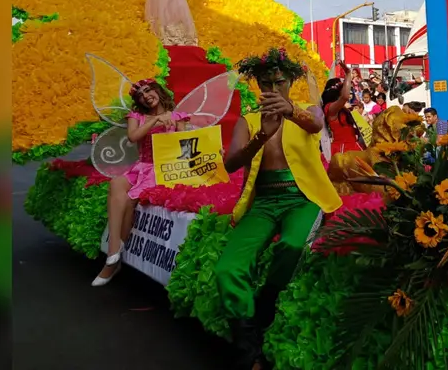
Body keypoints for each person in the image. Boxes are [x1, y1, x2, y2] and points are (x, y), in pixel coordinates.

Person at [217, 48, 342, 370]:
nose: (273, 89)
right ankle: (248, 347)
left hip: (303, 199)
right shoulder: (248, 121)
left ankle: (266, 303)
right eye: (266, 83)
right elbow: (230, 164)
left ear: (290, 81)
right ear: (257, 85)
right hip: (263, 204)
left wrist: (289, 111)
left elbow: (315, 125)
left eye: (279, 82)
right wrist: (261, 136)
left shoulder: (308, 110)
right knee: (227, 269)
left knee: (291, 246)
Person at [93, 78, 189, 287]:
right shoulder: (136, 116)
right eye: (141, 95)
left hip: (163, 170)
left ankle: (112, 264)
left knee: (129, 201)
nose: (146, 96)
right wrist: (154, 121)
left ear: (157, 90)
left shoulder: (178, 116)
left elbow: (184, 144)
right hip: (142, 166)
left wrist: (212, 150)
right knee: (117, 183)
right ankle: (113, 249)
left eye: (148, 90)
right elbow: (133, 137)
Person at [321, 62, 366, 156]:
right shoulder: (330, 108)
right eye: (343, 87)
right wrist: (348, 73)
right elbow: (345, 96)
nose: (346, 90)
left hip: (354, 146)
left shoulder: (342, 107)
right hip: (342, 150)